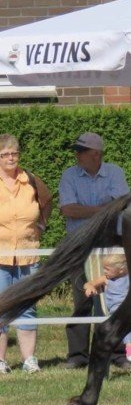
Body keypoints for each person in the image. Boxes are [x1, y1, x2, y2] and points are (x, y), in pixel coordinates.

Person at [59, 132, 131, 370]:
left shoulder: (115, 172)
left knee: (117, 298)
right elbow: (67, 210)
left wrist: (89, 210)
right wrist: (103, 210)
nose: (77, 155)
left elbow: (120, 205)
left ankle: (119, 353)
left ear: (96, 154)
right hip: (80, 244)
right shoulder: (69, 175)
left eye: (81, 151)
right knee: (83, 297)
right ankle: (78, 355)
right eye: (77, 151)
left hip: (112, 241)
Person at [0, 134, 53, 374]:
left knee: (27, 306)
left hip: (28, 254)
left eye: (14, 153)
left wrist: (41, 225)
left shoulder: (30, 179)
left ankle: (29, 360)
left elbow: (47, 199)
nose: (11, 158)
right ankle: (0, 361)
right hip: (0, 256)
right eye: (5, 154)